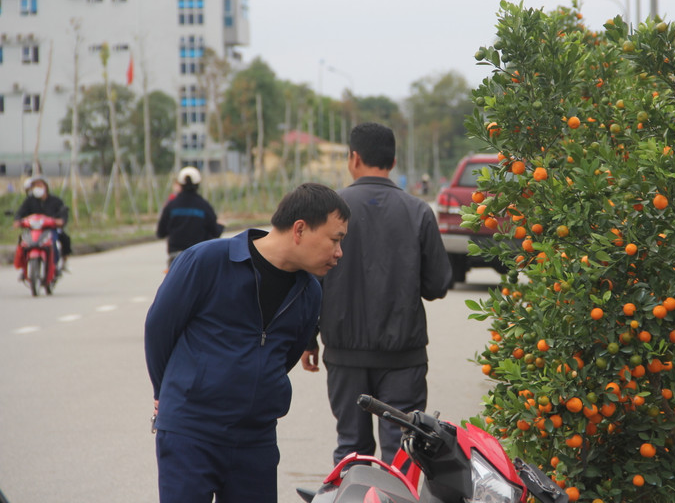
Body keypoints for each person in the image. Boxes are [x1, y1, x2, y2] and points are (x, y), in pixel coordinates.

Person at [144, 183, 350, 503]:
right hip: (191, 432)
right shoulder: (207, 261)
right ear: (300, 229)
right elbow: (159, 330)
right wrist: (166, 393)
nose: (339, 252)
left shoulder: (309, 292)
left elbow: (286, 355)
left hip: (256, 441)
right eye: (335, 240)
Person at [301, 122, 452, 465]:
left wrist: (308, 340)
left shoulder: (330, 211)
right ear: (394, 161)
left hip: (343, 354)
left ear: (353, 158)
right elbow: (437, 284)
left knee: (351, 447)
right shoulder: (417, 211)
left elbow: (310, 282)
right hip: (403, 356)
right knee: (403, 451)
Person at [156, 166, 222, 267]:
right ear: (198, 184)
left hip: (175, 258)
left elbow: (160, 233)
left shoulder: (171, 205)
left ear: (180, 184)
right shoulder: (204, 206)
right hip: (198, 257)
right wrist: (221, 226)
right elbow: (215, 232)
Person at [13, 175, 71, 273]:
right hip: (33, 230)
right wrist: (18, 220)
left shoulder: (55, 201)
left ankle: (61, 262)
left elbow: (63, 213)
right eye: (35, 185)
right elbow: (20, 213)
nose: (37, 187)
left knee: (64, 238)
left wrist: (61, 221)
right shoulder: (29, 201)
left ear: (46, 186)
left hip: (50, 229)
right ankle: (24, 267)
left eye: (39, 185)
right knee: (22, 243)